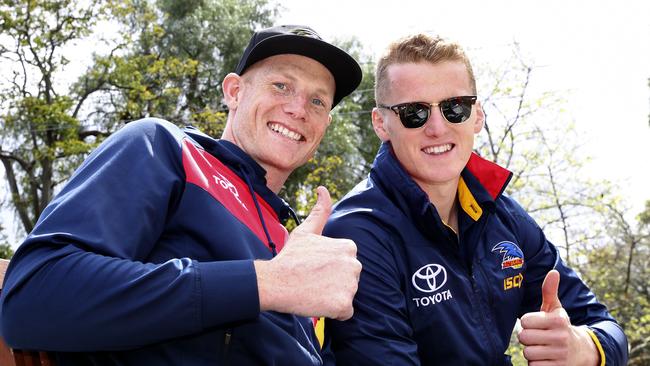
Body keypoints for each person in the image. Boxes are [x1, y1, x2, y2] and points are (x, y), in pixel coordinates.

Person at [0, 24, 363, 365]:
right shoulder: (165, 149)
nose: (298, 109)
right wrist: (267, 283)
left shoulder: (296, 241)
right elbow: (30, 298)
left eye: (318, 102)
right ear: (234, 92)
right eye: (281, 85)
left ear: (322, 129)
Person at [323, 34, 628, 365]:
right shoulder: (356, 234)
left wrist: (584, 348)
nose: (437, 128)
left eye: (456, 107)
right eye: (414, 112)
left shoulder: (505, 217)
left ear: (477, 115)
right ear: (381, 123)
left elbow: (608, 329)